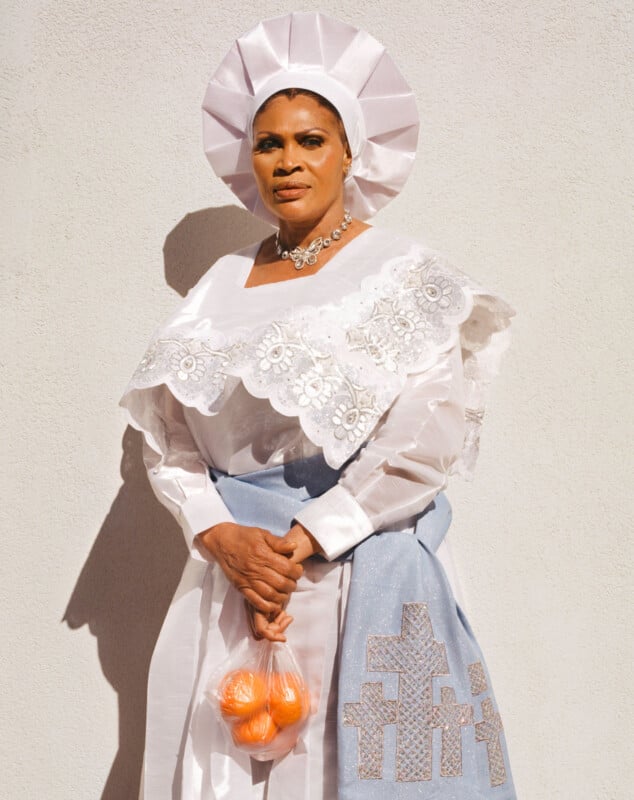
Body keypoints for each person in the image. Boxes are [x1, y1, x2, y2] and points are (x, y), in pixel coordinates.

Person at [121, 12, 517, 800]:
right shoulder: (217, 290)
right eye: (269, 143)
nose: (289, 161)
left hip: (349, 571)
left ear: (350, 154)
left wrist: (305, 539)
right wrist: (220, 534)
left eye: (310, 140)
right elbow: (167, 437)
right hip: (237, 584)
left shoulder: (403, 274)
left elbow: (423, 437)